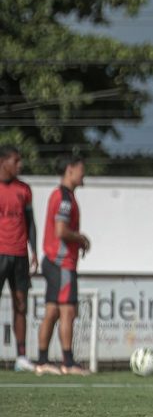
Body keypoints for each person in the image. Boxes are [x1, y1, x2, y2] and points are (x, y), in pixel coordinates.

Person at [35, 154, 91, 376]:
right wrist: (81, 238)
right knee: (68, 311)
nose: (83, 173)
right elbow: (61, 230)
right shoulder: (65, 198)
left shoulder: (61, 195)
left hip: (52, 261)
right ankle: (68, 362)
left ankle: (42, 361)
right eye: (81, 168)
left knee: (52, 311)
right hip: (61, 263)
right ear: (70, 169)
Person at [0, 146, 39, 372]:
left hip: (20, 255)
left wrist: (34, 250)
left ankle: (22, 357)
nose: (20, 165)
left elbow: (30, 222)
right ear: (4, 162)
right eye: (16, 161)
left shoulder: (24, 189)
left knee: (21, 304)